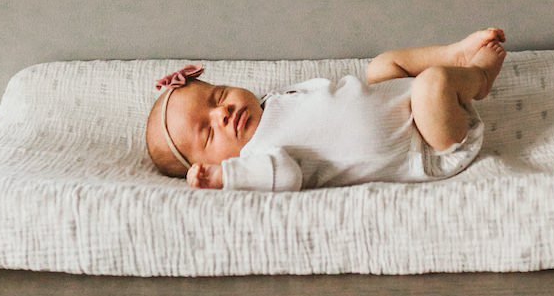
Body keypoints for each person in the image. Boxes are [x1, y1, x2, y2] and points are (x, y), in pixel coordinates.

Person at [145, 28, 507, 192]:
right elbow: (287, 177)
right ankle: (479, 76)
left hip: (400, 101)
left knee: (383, 64)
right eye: (208, 133)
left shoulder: (271, 102)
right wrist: (227, 178)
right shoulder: (259, 158)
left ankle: (454, 54)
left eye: (218, 96)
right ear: (207, 164)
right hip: (428, 142)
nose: (222, 114)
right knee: (432, 84)